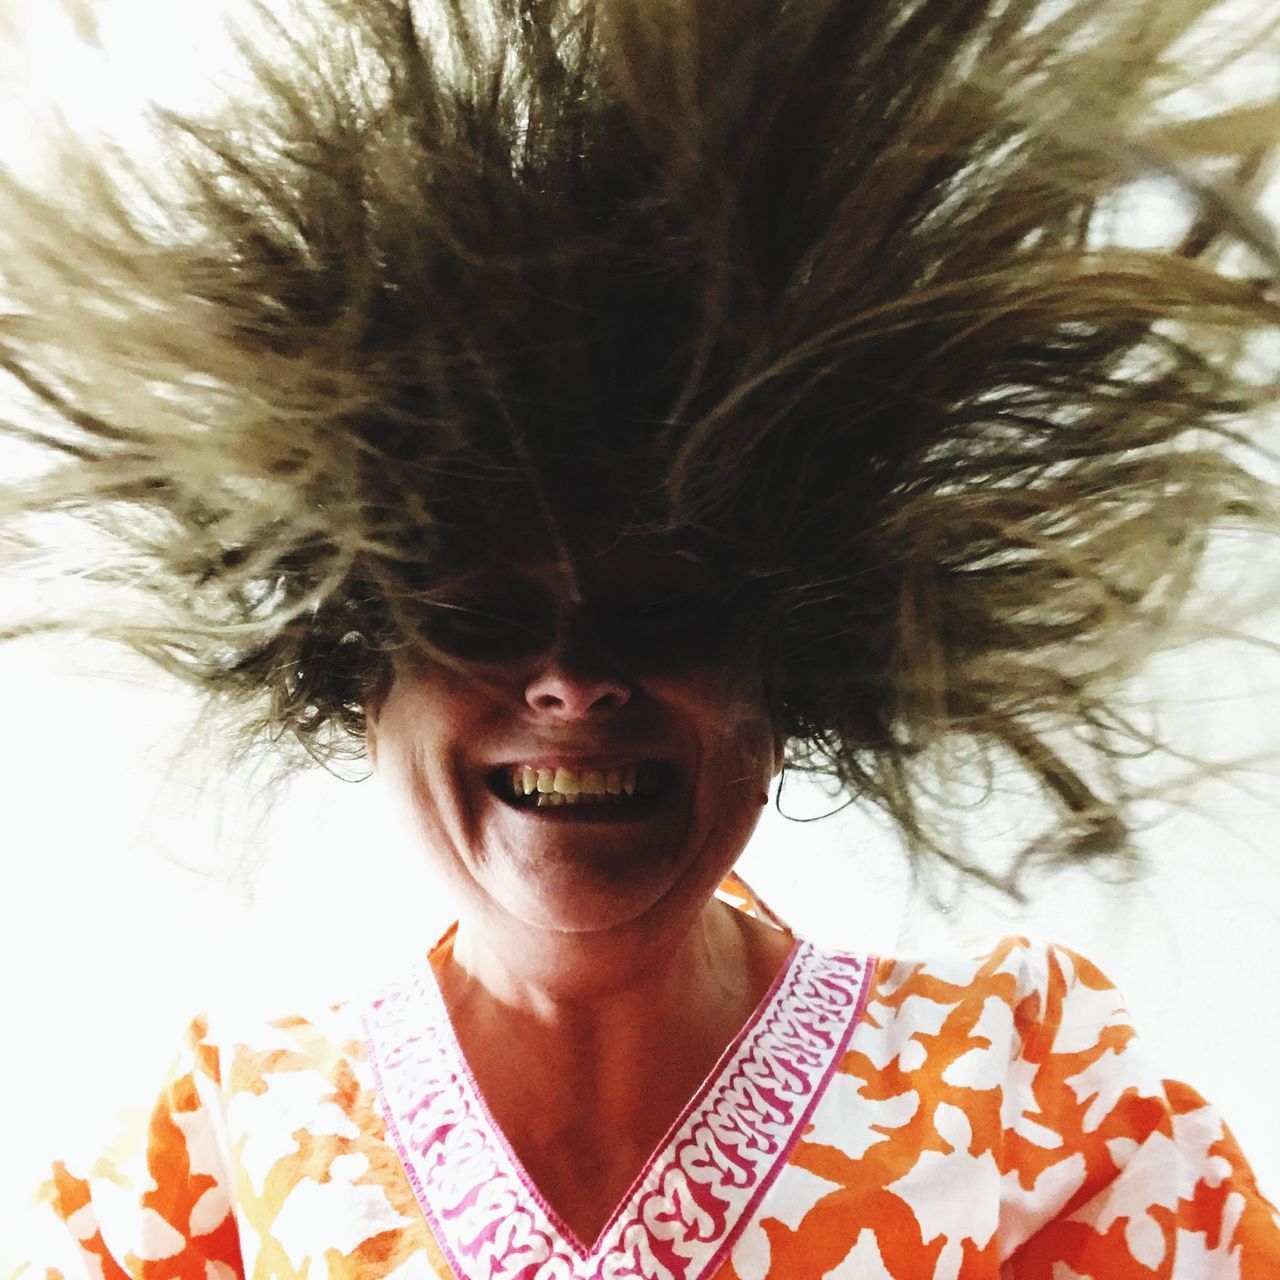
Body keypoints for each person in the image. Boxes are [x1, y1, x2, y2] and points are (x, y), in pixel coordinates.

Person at [6, 0, 1280, 1275]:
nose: (570, 679)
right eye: (481, 618)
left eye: (663, 610)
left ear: (788, 671)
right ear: (354, 677)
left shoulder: (1036, 1092)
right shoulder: (210, 1152)